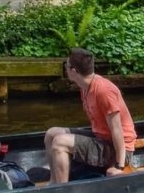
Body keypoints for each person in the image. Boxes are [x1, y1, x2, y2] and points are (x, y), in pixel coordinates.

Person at [44, 47, 136, 183]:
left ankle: (63, 189)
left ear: (74, 71)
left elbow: (117, 130)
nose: (65, 69)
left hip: (118, 150)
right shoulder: (84, 86)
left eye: (67, 66)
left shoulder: (104, 91)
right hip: (100, 138)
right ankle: (53, 183)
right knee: (52, 134)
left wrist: (119, 166)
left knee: (60, 143)